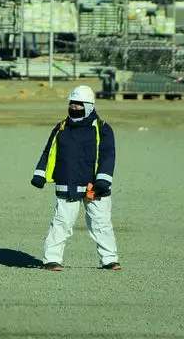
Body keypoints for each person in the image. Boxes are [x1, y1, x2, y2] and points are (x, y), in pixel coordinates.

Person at [30, 85, 121, 272]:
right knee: (61, 223)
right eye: (72, 103)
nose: (74, 107)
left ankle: (109, 259)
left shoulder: (102, 128)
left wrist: (103, 181)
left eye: (79, 104)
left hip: (95, 186)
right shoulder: (61, 127)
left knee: (101, 224)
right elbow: (49, 151)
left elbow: (108, 155)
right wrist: (39, 174)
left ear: (89, 106)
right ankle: (52, 260)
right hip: (67, 182)